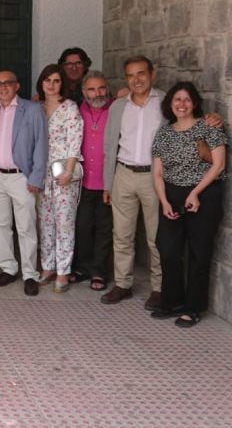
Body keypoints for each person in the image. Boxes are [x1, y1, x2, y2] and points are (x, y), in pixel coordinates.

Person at [151, 82, 226, 328]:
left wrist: (195, 193)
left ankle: (193, 307)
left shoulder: (208, 128)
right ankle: (171, 300)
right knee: (168, 248)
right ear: (170, 103)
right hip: (172, 193)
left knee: (198, 251)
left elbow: (218, 165)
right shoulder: (164, 132)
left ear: (194, 103)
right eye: (177, 99)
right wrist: (163, 201)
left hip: (204, 193)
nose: (181, 104)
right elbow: (158, 172)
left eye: (186, 100)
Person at [101, 56, 165, 308]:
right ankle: (123, 284)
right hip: (124, 174)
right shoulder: (118, 106)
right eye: (130, 75)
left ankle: (159, 288)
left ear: (153, 73)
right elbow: (110, 145)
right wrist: (108, 183)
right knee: (122, 234)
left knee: (156, 236)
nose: (136, 80)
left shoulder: (165, 103)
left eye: (141, 74)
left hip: (154, 176)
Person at [0, 71, 48, 296]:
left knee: (26, 227)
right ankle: (8, 267)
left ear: (17, 86)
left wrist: (36, 177)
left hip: (21, 176)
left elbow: (42, 145)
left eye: (8, 83)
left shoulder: (31, 110)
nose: (3, 87)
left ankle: (30, 273)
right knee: (2, 225)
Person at [36, 64, 84, 293]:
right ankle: (48, 266)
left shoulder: (70, 108)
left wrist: (68, 171)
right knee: (45, 222)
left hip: (63, 169)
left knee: (64, 223)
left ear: (62, 83)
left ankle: (63, 270)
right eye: (47, 80)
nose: (51, 85)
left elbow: (75, 142)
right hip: (41, 172)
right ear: (41, 83)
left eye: (56, 80)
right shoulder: (36, 107)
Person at [72, 72, 114, 291]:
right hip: (83, 180)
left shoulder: (118, 110)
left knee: (105, 228)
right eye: (91, 89)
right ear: (83, 92)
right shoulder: (76, 111)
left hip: (108, 180)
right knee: (82, 226)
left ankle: (99, 271)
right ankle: (82, 267)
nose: (97, 93)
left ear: (107, 88)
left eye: (101, 88)